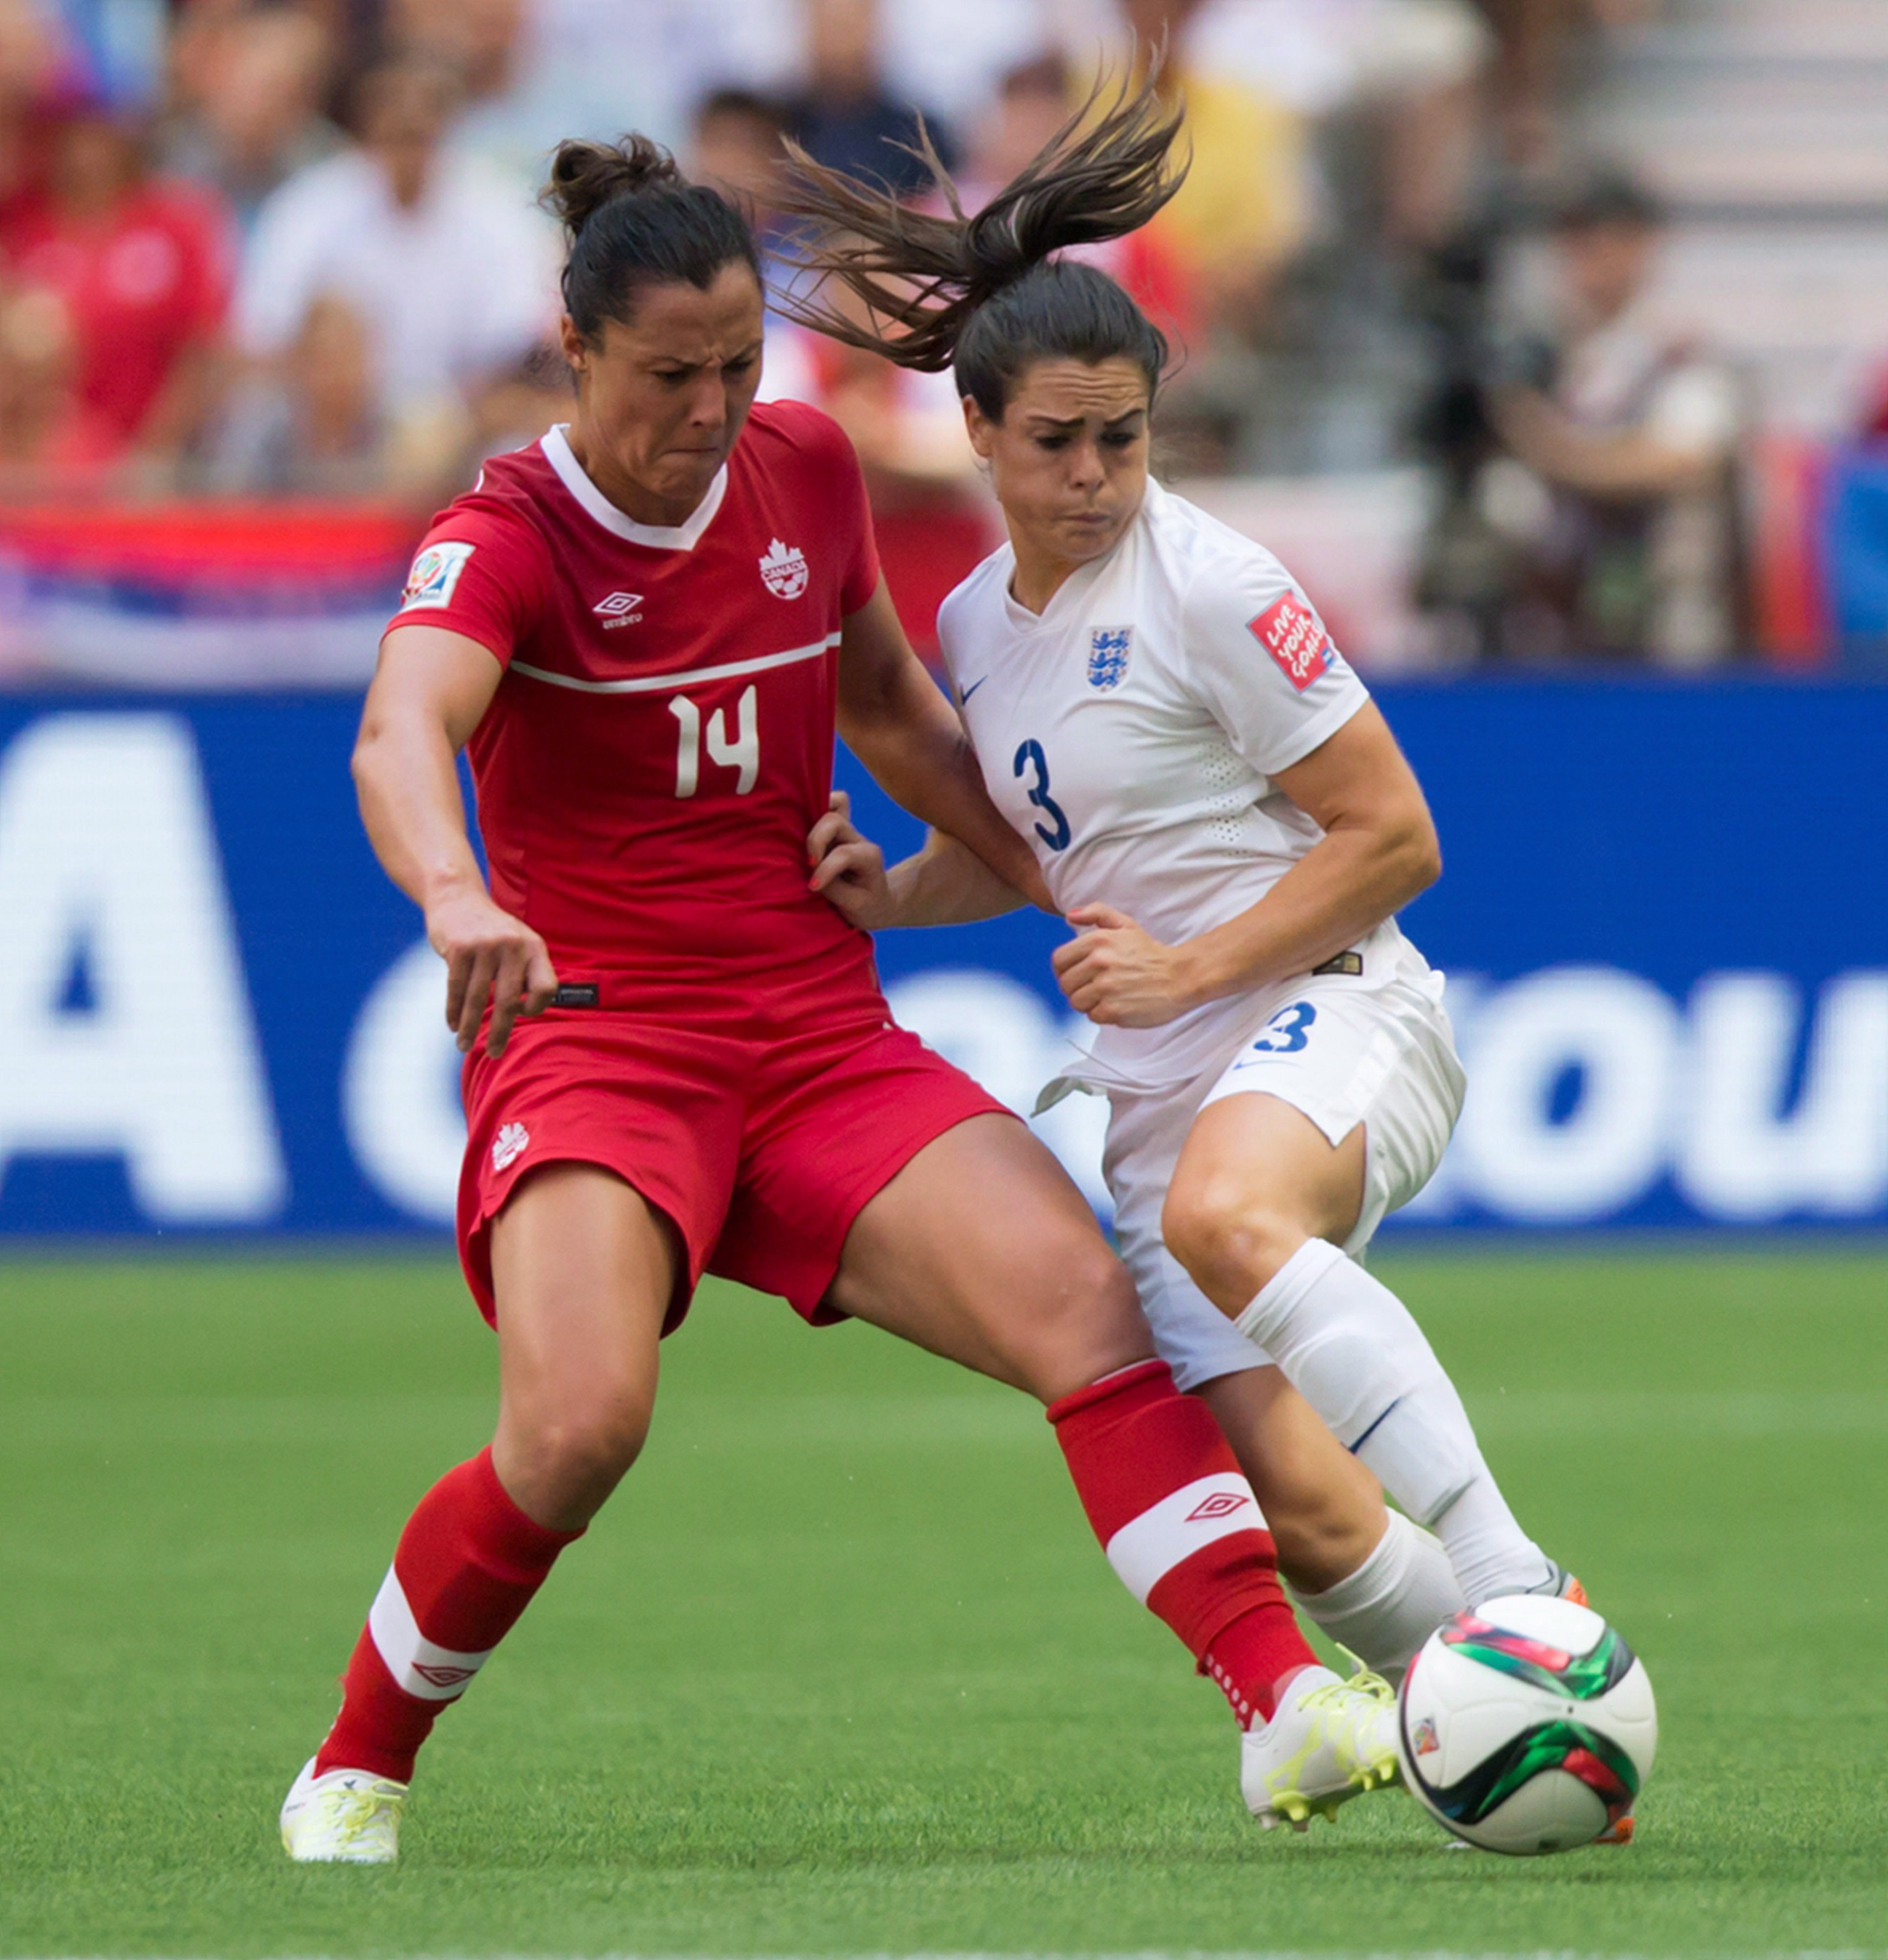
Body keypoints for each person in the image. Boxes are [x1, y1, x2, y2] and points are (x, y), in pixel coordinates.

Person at [279, 109, 1413, 1865]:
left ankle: (1285, 1705)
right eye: (668, 377)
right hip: (598, 1049)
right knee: (577, 1430)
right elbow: (399, 728)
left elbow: (893, 711)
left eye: (737, 367)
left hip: (817, 1042)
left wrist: (1071, 876)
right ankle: (359, 1761)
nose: (708, 415)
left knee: (1086, 1314)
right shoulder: (507, 530)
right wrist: (453, 894)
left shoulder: (803, 469)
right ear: (574, 350)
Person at [778, 85, 1595, 1661]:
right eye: (1058, 441)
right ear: (978, 433)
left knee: (1234, 1215)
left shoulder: (1213, 584)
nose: (1096, 473)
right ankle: (1518, 1719)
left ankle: (1513, 1581)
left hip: (1334, 1005)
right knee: (1299, 1506)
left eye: (1124, 437)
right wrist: (891, 890)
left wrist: (1191, 971)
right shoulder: (972, 628)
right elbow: (1035, 852)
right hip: (1158, 1080)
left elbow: (1398, 836)